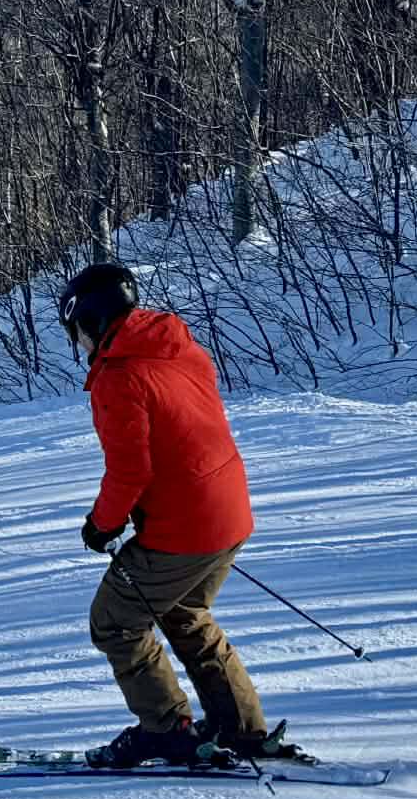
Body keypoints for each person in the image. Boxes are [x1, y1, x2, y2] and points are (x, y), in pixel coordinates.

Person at [56, 262, 273, 769]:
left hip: (185, 527)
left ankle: (165, 729)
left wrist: (102, 525)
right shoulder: (179, 348)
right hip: (228, 514)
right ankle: (239, 728)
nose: (77, 343)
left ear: (90, 319)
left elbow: (130, 470)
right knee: (185, 612)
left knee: (115, 621)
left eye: (76, 331)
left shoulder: (119, 374)